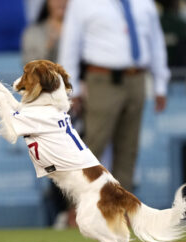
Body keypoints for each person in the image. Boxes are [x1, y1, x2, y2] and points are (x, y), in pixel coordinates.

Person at [58, 0, 170, 192]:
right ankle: (80, 207)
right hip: (102, 79)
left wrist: (160, 82)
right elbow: (70, 44)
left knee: (129, 148)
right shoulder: (82, 3)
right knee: (93, 146)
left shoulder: (144, 3)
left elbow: (155, 42)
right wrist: (71, 88)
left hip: (137, 78)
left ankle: (121, 211)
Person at [21, 0, 73, 228]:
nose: (61, 3)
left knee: (83, 156)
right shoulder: (34, 32)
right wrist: (52, 41)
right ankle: (62, 213)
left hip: (78, 102)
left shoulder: (79, 27)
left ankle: (81, 210)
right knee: (53, 160)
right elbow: (30, 69)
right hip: (46, 107)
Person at [21, 0, 68, 64]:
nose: (61, 2)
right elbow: (29, 65)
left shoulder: (82, 31)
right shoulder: (33, 33)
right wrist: (49, 48)